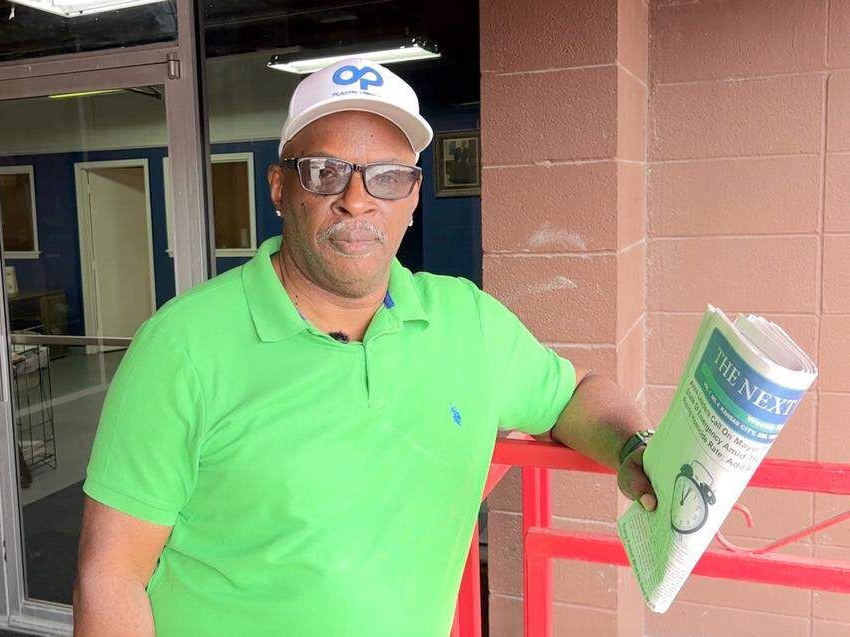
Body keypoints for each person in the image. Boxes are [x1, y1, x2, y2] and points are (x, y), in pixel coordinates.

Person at [73, 58, 656, 637]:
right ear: (279, 188)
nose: (357, 199)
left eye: (387, 176)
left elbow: (575, 394)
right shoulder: (181, 347)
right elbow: (111, 575)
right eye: (324, 172)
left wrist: (636, 447)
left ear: (413, 197)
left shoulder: (468, 321)